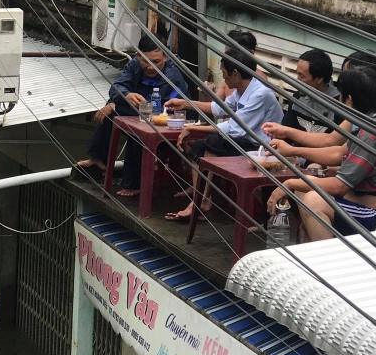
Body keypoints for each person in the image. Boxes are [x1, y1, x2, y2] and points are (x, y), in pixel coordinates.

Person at [266, 69, 376, 241]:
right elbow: (338, 152)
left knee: (313, 200)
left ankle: (327, 262)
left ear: (349, 100)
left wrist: (287, 183)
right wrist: (292, 150)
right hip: (365, 204)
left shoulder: (372, 133)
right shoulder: (372, 122)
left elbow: (340, 186)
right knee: (305, 188)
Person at [162, 49, 283, 221]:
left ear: (235, 74)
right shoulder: (242, 90)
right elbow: (219, 109)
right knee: (202, 145)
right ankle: (201, 200)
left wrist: (193, 129)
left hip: (263, 148)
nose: (223, 78)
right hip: (247, 142)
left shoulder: (259, 93)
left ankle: (201, 202)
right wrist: (186, 104)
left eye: (225, 74)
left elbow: (235, 129)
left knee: (211, 142)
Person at [76, 34, 187, 196]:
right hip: (140, 112)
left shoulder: (173, 73)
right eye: (145, 62)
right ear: (138, 56)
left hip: (169, 121)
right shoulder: (134, 64)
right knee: (109, 114)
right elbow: (117, 87)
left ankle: (134, 183)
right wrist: (124, 96)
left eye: (156, 62)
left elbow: (155, 108)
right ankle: (98, 157)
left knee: (132, 124)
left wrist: (115, 104)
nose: (150, 67)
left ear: (165, 56)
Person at [263, 50, 376, 168]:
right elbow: (331, 140)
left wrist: (294, 152)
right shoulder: (365, 110)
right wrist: (286, 133)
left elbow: (340, 156)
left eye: (347, 75)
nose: (341, 82)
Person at [282, 49, 342, 133]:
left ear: (319, 79)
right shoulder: (297, 98)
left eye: (302, 76)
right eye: (297, 74)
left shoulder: (339, 105)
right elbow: (285, 131)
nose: (297, 80)